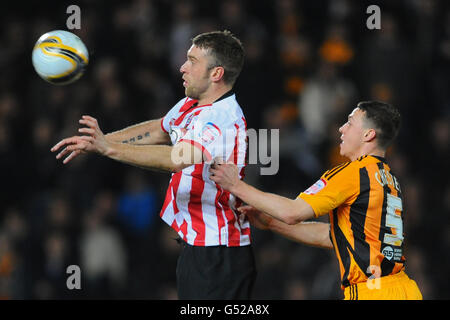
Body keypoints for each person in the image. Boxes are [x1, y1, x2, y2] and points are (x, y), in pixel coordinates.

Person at [51, 30, 256, 299]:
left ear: (216, 74)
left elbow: (176, 158)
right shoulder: (191, 104)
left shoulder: (223, 118)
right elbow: (159, 130)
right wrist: (98, 141)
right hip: (197, 247)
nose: (182, 67)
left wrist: (109, 148)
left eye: (192, 61)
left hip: (220, 254)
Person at [210, 101, 423, 300]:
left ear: (368, 134)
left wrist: (235, 185)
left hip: (372, 292)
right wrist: (272, 223)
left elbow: (292, 212)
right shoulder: (388, 178)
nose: (341, 129)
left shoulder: (353, 174)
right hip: (404, 289)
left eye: (349, 122)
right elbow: (337, 237)